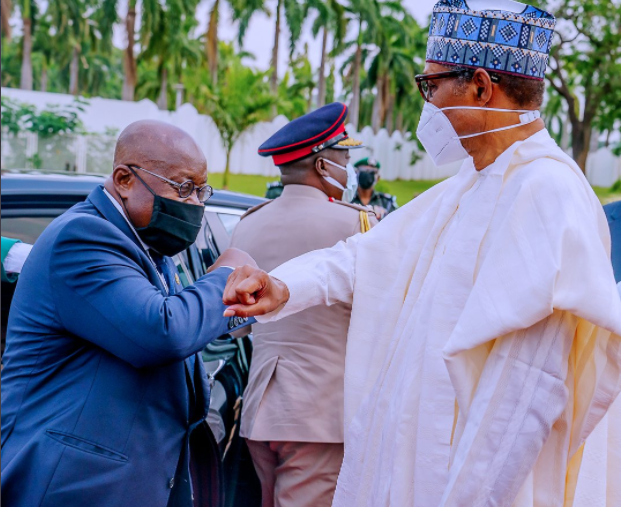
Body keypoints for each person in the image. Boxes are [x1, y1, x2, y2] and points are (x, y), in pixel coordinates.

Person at [221, 1, 621, 505]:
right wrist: (283, 287)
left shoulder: (546, 193)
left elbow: (521, 401)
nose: (426, 105)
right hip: (413, 464)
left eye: (431, 87)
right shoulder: (470, 184)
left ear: (480, 85)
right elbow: (366, 258)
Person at [1, 120, 255, 507]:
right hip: (70, 482)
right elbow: (164, 331)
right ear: (123, 179)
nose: (196, 204)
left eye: (201, 191)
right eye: (183, 187)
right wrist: (225, 275)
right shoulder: (84, 237)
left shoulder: (147, 243)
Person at [230, 102, 377, 507]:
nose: (349, 166)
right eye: (344, 156)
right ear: (323, 164)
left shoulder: (248, 223)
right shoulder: (358, 224)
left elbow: (238, 326)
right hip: (321, 416)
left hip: (261, 410)